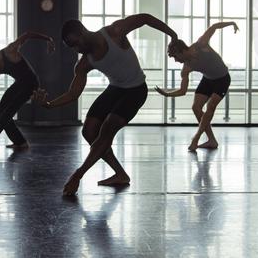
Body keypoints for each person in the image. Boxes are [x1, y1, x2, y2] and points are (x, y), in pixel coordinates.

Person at [33, 13, 178, 195]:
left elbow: (146, 19)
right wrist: (48, 104)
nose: (76, 49)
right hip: (116, 88)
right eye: (72, 47)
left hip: (136, 90)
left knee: (107, 130)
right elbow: (73, 94)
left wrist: (173, 35)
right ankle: (120, 174)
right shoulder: (84, 63)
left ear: (83, 31)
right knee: (88, 131)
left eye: (76, 43)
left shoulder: (114, 32)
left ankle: (79, 175)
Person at [156, 21, 237, 152]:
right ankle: (211, 140)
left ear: (181, 51)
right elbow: (183, 91)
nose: (176, 61)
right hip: (207, 80)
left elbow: (214, 27)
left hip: (222, 79)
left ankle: (196, 138)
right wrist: (167, 94)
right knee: (196, 107)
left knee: (210, 106)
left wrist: (232, 23)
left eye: (175, 57)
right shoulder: (186, 68)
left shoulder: (201, 45)